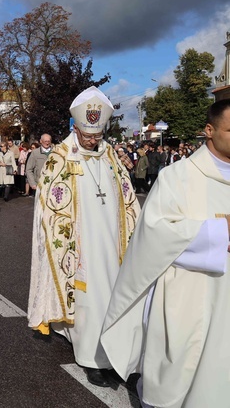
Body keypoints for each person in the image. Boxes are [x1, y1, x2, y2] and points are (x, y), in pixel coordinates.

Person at [101, 100, 230, 407]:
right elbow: (155, 232)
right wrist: (218, 231)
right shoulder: (178, 176)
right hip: (193, 295)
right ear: (209, 131)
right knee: (186, 378)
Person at [26, 87, 139, 388]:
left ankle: (117, 355)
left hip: (114, 243)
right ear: (75, 127)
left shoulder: (111, 155)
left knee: (116, 295)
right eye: (88, 134)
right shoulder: (60, 157)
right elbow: (47, 203)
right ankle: (91, 359)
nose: (93, 140)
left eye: (97, 134)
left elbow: (127, 195)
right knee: (90, 296)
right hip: (82, 245)